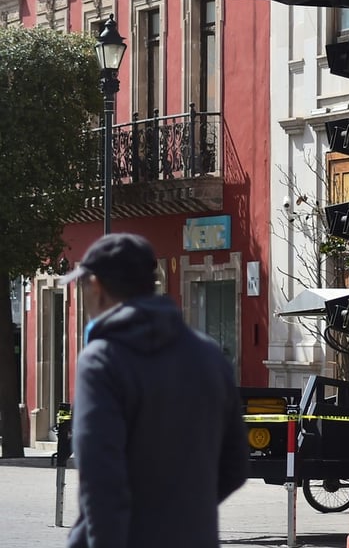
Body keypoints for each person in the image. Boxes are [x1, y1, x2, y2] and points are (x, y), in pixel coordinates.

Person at [60, 233, 249, 548]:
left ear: (96, 286)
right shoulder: (210, 355)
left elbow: (101, 481)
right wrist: (181, 512)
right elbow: (236, 466)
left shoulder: (102, 360)